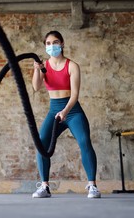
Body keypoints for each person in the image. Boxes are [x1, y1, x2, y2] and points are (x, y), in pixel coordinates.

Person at [31, 30, 101, 199]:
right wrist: (36, 70)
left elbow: (75, 95)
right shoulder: (44, 66)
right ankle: (45, 187)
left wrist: (65, 111)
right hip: (54, 110)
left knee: (84, 141)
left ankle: (92, 186)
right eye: (48, 43)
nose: (51, 46)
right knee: (41, 143)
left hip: (72, 110)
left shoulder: (72, 66)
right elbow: (35, 87)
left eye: (55, 42)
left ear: (62, 44)